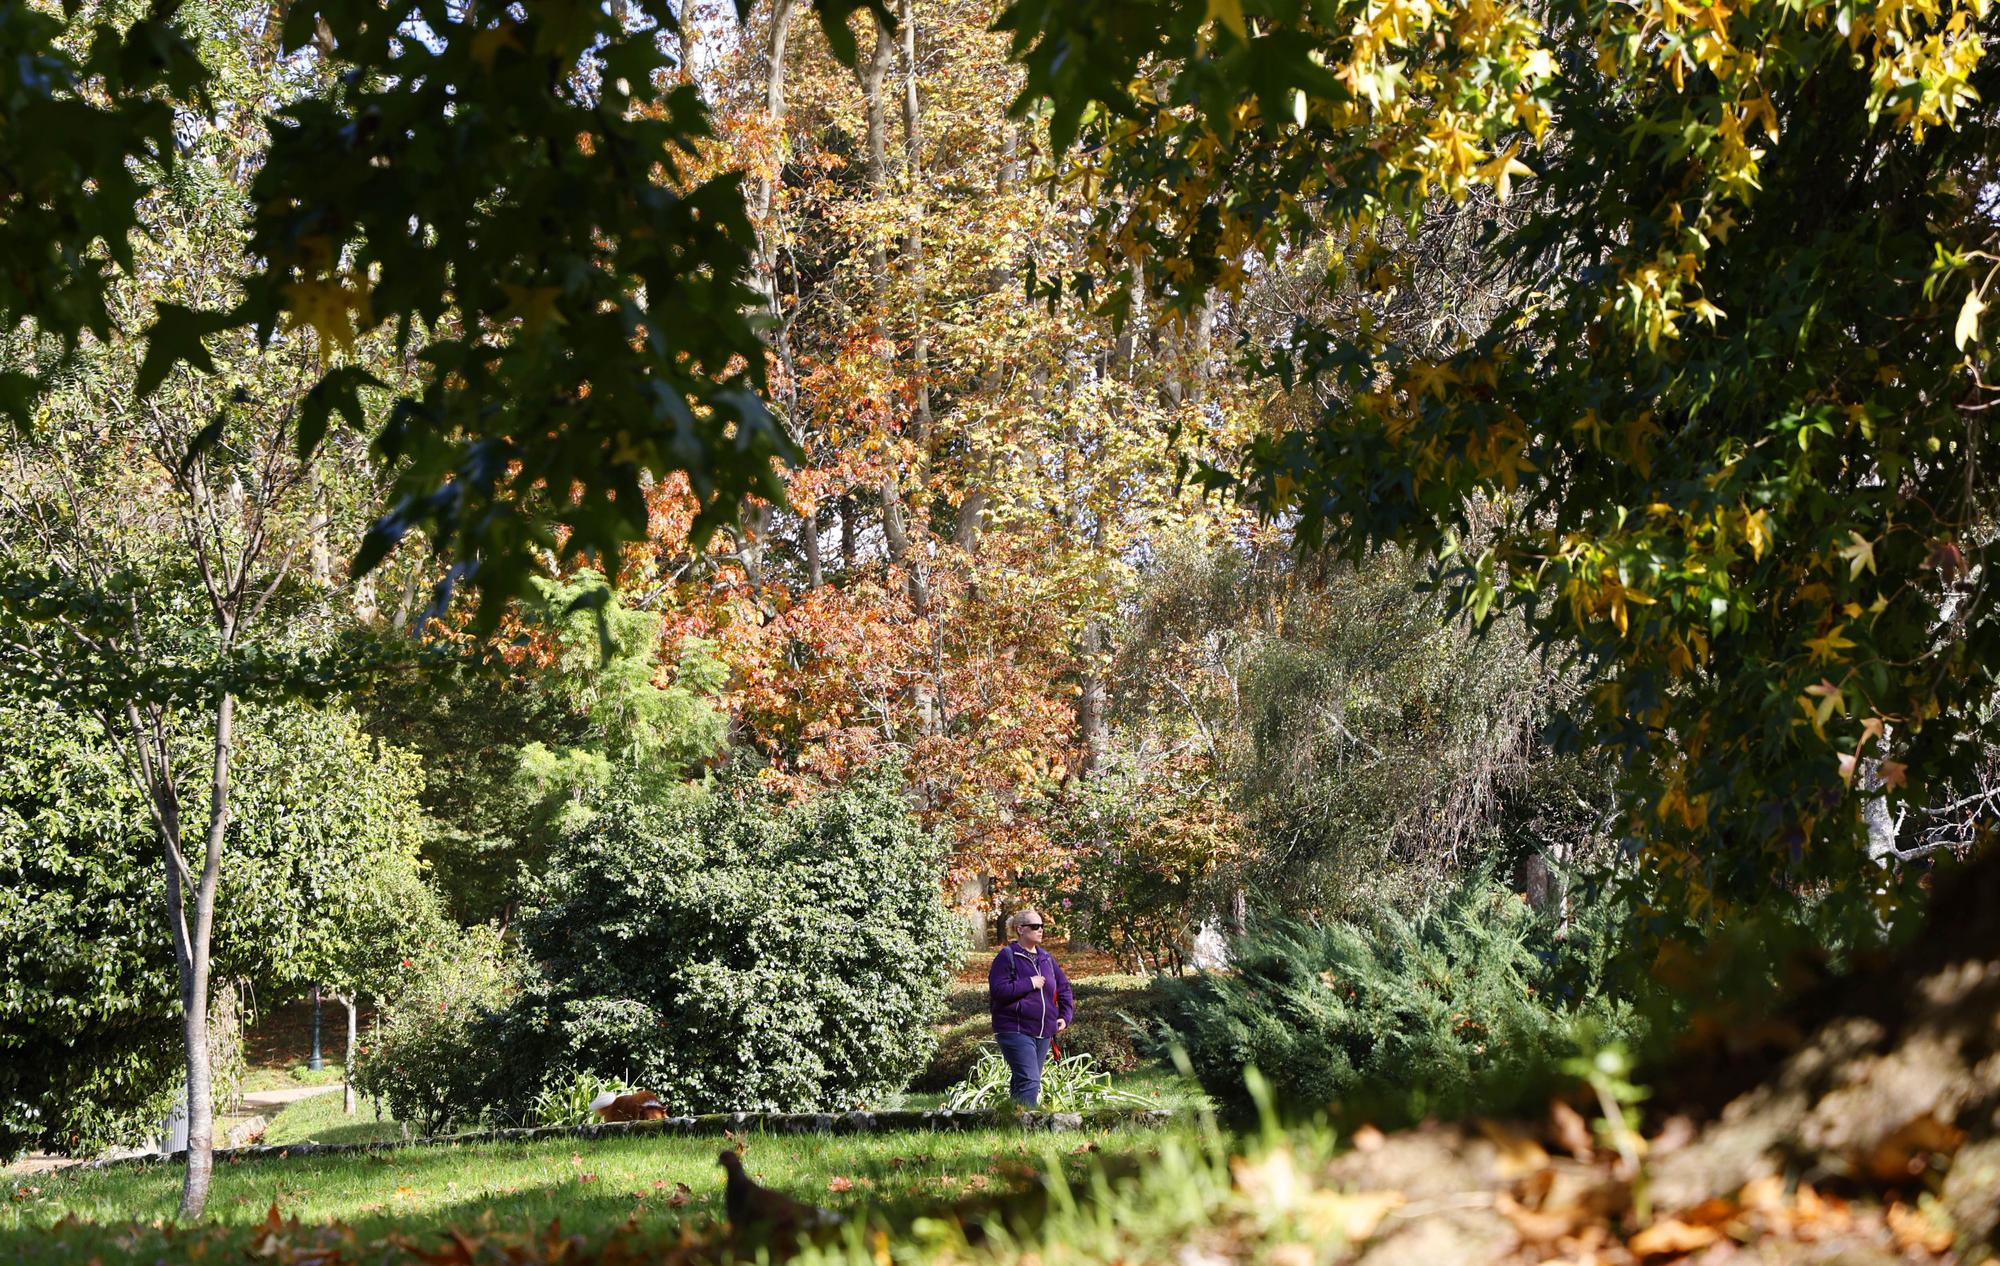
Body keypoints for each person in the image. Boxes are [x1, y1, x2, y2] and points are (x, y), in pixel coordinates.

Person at [986, 908, 1074, 1107]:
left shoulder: (1046, 959)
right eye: (1035, 926)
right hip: (1014, 1029)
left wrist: (1064, 1015)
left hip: (1043, 1032)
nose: (1040, 930)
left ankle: (1012, 1123)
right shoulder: (1007, 956)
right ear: (1020, 930)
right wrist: (1029, 983)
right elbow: (998, 990)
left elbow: (1064, 988)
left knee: (1022, 1081)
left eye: (1042, 926)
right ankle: (1027, 1126)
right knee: (1030, 1080)